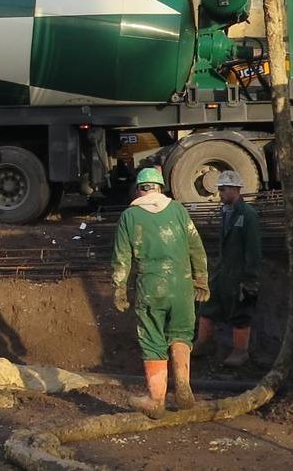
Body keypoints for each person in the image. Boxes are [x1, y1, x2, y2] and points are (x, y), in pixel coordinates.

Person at [110, 166, 209, 418]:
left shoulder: (129, 216)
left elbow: (122, 258)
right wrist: (201, 279)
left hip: (152, 286)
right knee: (181, 334)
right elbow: (195, 245)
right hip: (182, 285)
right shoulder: (177, 210)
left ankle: (156, 400)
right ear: (160, 187)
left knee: (153, 339)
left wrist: (119, 288)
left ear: (139, 189)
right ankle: (183, 385)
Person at [198, 169, 262, 368]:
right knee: (208, 306)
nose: (220, 194)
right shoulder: (225, 212)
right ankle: (203, 344)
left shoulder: (248, 214)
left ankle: (240, 351)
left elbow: (253, 248)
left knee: (240, 312)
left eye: (223, 189)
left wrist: (251, 278)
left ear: (236, 189)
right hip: (223, 272)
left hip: (239, 273)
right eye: (219, 190)